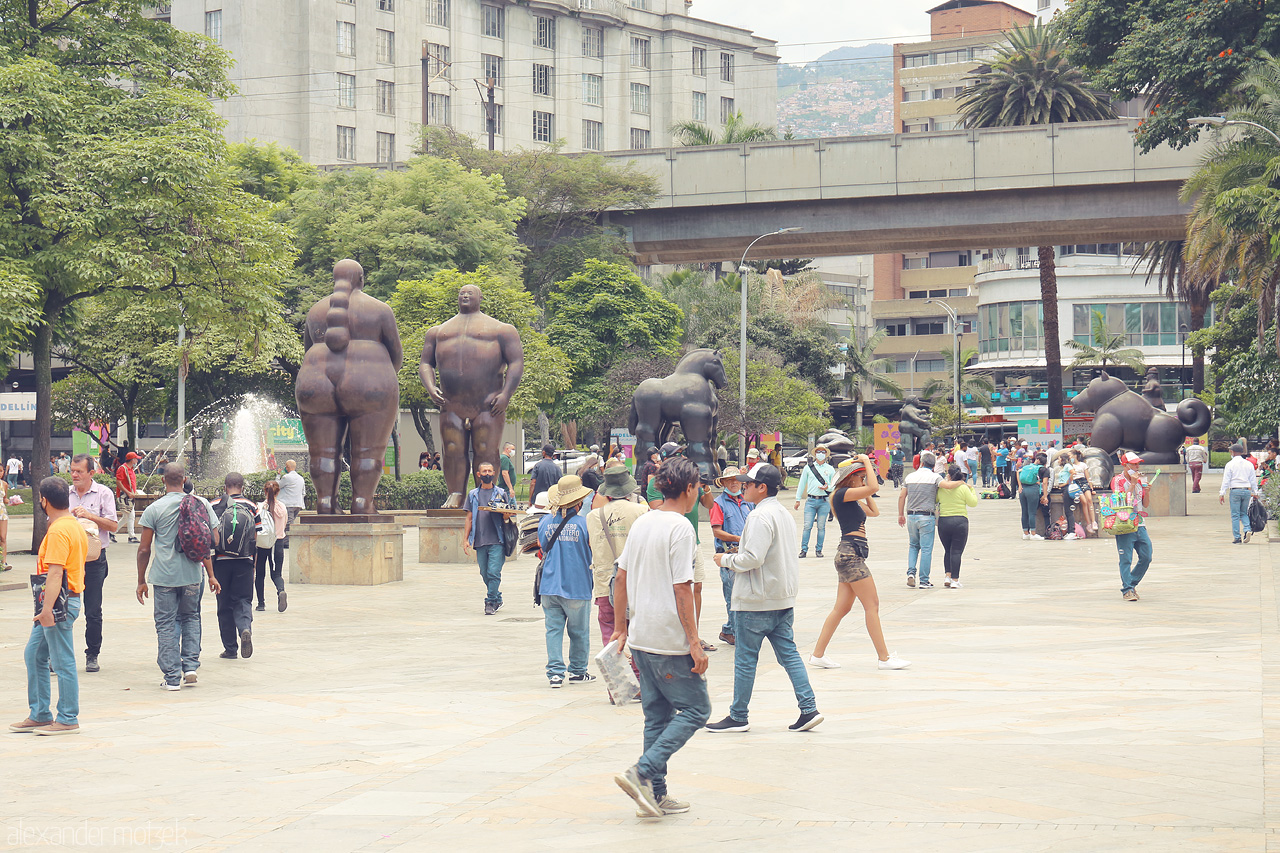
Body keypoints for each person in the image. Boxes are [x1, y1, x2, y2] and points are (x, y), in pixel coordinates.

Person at [610, 456, 710, 818]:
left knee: (657, 718)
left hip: (640, 637)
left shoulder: (642, 522)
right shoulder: (681, 528)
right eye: (698, 486)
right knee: (698, 709)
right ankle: (642, 772)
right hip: (668, 640)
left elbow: (619, 578)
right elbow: (683, 587)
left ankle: (654, 795)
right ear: (688, 488)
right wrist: (694, 642)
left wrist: (621, 627)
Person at [708, 463, 823, 733]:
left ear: (762, 487)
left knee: (746, 659)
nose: (744, 487)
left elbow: (752, 558)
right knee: (789, 655)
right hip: (781, 596)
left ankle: (738, 715)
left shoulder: (759, 516)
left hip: (756, 600)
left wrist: (724, 559)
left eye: (748, 483)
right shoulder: (780, 512)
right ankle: (809, 708)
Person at [418, 283, 525, 508]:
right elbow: (426, 363)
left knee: (485, 448)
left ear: (480, 298)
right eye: (461, 293)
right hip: (451, 403)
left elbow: (516, 363)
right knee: (452, 449)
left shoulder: (501, 329)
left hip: (487, 403)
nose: (465, 295)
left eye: (470, 293)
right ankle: (456, 493)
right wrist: (430, 387)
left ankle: (486, 495)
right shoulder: (438, 331)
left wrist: (506, 394)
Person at [809, 456, 911, 671]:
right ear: (851, 478)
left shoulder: (850, 499)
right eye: (861, 477)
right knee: (872, 605)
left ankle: (818, 655)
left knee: (841, 608)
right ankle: (884, 658)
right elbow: (874, 486)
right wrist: (865, 460)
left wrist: (865, 487)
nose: (864, 481)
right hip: (850, 555)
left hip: (850, 555)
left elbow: (874, 512)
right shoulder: (842, 495)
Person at [11, 477, 88, 735]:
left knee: (62, 661)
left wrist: (46, 610)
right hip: (60, 601)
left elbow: (55, 574)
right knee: (34, 655)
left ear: (44, 500)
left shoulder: (58, 530)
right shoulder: (72, 524)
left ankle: (68, 717)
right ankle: (40, 714)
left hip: (58, 604)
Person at [136, 464, 220, 690]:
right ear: (184, 480)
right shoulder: (200, 504)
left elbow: (144, 549)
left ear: (163, 480)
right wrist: (211, 574)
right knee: (191, 617)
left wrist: (141, 580)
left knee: (166, 623)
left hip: (164, 577)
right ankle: (190, 666)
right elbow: (213, 541)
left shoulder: (154, 509)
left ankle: (172, 678)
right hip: (193, 574)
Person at [645, 442, 716, 650]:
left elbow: (709, 505)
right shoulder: (657, 484)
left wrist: (704, 487)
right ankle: (678, 633)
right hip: (671, 543)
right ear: (666, 458)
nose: (682, 456)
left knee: (697, 586)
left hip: (693, 541)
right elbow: (660, 509)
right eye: (677, 454)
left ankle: (695, 632)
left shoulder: (692, 482)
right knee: (678, 586)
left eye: (683, 453)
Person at [586, 462, 648, 698]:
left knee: (610, 634)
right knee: (638, 634)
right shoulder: (642, 513)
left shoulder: (593, 516)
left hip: (604, 585)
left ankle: (617, 688)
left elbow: (593, 547)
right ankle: (641, 683)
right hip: (636, 583)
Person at [537, 474, 596, 687]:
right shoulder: (585, 524)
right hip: (577, 585)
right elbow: (593, 551)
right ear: (578, 502)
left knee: (553, 630)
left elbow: (542, 548)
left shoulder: (544, 522)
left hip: (549, 586)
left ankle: (555, 674)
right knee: (579, 632)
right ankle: (578, 671)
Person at [67, 453, 118, 673]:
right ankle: (58, 654)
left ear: (91, 473)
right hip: (68, 560)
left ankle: (92, 654)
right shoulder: (65, 494)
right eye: (72, 470)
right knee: (63, 607)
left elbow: (113, 526)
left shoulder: (103, 494)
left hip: (95, 560)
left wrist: (89, 516)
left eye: (79, 471)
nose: (75, 475)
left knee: (93, 610)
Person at [211, 473, 262, 660]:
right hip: (245, 560)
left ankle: (230, 648)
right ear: (242, 487)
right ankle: (245, 628)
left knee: (224, 604)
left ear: (225, 486)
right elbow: (256, 537)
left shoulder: (215, 504)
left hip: (221, 563)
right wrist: (253, 563)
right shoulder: (252, 506)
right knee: (243, 600)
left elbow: (211, 535)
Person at [709, 466, 753, 647]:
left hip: (746, 553)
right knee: (733, 596)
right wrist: (738, 539)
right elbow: (717, 532)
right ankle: (735, 632)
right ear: (724, 483)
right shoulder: (718, 503)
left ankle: (729, 629)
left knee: (745, 594)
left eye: (737, 480)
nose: (734, 483)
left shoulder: (748, 502)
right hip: (729, 554)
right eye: (730, 480)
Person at [462, 461, 511, 615]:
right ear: (478, 474)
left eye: (490, 471)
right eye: (484, 471)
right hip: (480, 540)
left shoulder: (501, 493)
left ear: (494, 473)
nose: (487, 474)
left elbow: (508, 515)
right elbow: (469, 518)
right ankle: (497, 598)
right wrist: (465, 539)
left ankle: (490, 602)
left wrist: (506, 514)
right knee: (484, 573)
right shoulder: (473, 495)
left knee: (493, 572)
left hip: (497, 539)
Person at [1111, 452, 1153, 601]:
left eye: (1138, 464)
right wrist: (1133, 484)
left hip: (1140, 523)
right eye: (1134, 464)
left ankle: (1131, 583)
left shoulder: (1140, 481)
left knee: (1147, 556)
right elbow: (1122, 501)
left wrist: (1147, 492)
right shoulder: (1118, 480)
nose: (1137, 467)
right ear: (1125, 465)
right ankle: (1127, 590)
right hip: (1124, 522)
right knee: (1126, 559)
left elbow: (1145, 504)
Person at [898, 450, 942, 588]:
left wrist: (901, 514)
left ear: (921, 463)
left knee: (913, 546)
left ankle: (911, 573)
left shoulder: (910, 477)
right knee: (926, 549)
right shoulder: (936, 478)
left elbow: (901, 496)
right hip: (926, 517)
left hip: (911, 516)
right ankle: (924, 580)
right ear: (933, 465)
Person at [937, 464, 978, 588]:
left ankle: (948, 576)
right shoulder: (964, 488)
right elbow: (973, 503)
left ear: (948, 475)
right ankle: (955, 580)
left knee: (947, 550)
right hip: (960, 521)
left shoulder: (942, 488)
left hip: (944, 521)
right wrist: (972, 490)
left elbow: (935, 500)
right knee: (956, 551)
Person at [792, 445, 834, 560]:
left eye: (823, 452)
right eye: (818, 452)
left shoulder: (830, 469)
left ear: (826, 454)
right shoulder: (808, 468)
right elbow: (802, 483)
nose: (820, 453)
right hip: (810, 501)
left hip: (824, 501)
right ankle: (803, 550)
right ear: (815, 454)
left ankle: (819, 549)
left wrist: (827, 487)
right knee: (807, 526)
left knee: (821, 526)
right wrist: (798, 499)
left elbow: (834, 485)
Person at [254, 480, 288, 613]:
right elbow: (284, 525)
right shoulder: (282, 508)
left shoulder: (260, 507)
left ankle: (261, 603)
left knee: (260, 574)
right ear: (278, 492)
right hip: (278, 543)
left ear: (264, 491)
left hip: (262, 543)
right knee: (277, 574)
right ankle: (281, 591)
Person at [1220, 443, 1261, 544]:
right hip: (1246, 491)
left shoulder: (1230, 464)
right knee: (1243, 513)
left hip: (1235, 491)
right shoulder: (1249, 464)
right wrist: (1255, 492)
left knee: (1235, 515)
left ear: (1232, 452)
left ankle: (1237, 537)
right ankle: (1247, 529)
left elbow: (1226, 480)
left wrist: (1222, 493)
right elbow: (1252, 479)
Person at [1017, 452, 1051, 540]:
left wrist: (1020, 486)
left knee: (1024, 512)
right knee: (1032, 512)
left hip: (1023, 490)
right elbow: (1044, 483)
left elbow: (1018, 472)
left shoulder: (1026, 466)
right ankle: (1033, 533)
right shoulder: (1043, 469)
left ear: (1037, 459)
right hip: (1033, 490)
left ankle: (1025, 533)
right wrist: (1045, 496)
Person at [275, 459, 306, 542]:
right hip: (298, 504)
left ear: (287, 467)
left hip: (289, 504)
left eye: (286, 466)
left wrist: (278, 475)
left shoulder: (286, 477)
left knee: (288, 523)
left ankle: (286, 542)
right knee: (290, 522)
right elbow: (303, 492)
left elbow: (277, 486)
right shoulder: (301, 478)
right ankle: (286, 541)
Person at [114, 451, 141, 544]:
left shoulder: (131, 469)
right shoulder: (123, 469)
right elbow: (118, 482)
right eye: (136, 458)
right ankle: (131, 536)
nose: (137, 460)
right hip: (125, 496)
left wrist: (133, 491)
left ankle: (112, 532)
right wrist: (128, 492)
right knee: (129, 516)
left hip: (129, 496)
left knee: (127, 516)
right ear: (132, 460)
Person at [1069, 449, 1098, 533]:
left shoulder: (1083, 465)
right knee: (1084, 502)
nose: (1069, 457)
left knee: (1089, 499)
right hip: (1075, 483)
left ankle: (1093, 521)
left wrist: (1091, 487)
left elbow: (1088, 477)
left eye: (1070, 455)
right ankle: (1088, 523)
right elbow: (1070, 478)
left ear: (1075, 456)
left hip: (1083, 481)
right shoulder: (1070, 466)